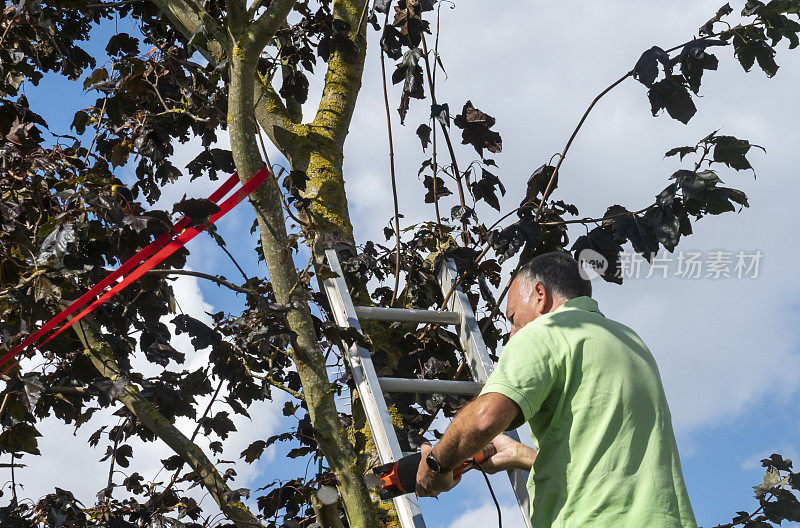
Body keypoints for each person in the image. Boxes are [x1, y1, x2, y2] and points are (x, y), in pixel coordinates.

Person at [415, 252, 697, 528]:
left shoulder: (545, 332)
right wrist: (520, 454)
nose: (512, 334)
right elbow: (603, 463)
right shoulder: (629, 341)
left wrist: (437, 465)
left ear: (540, 294)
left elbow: (484, 419)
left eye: (513, 317)